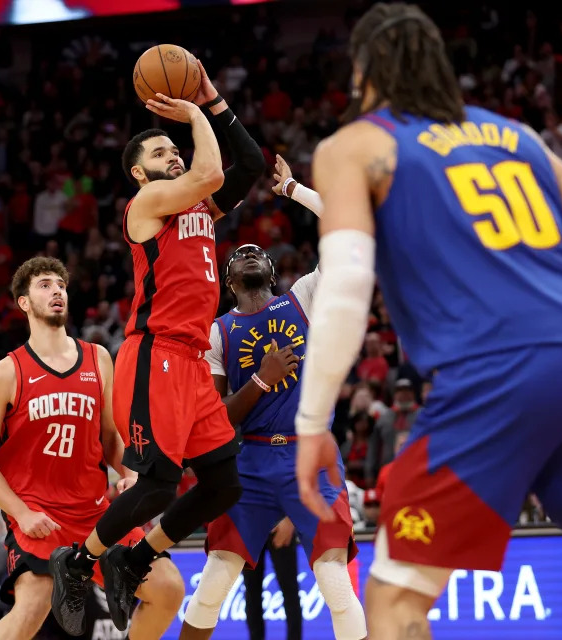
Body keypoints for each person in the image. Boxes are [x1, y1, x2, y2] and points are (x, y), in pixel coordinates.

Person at [293, 4, 562, 640]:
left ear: (365, 72)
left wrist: (313, 421)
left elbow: (346, 285)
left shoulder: (359, 143)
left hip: (497, 372)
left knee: (395, 599)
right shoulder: (513, 135)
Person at [51, 57, 266, 633]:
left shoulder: (200, 209)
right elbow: (213, 175)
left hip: (193, 361)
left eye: (175, 150)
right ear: (141, 176)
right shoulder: (145, 208)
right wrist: (194, 113)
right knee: (157, 485)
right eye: (160, 155)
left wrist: (214, 99)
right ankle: (78, 562)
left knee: (223, 483)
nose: (173, 156)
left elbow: (247, 164)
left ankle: (134, 558)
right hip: (155, 354)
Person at [180, 159, 365, 640]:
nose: (248, 253)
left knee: (335, 586)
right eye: (238, 253)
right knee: (212, 586)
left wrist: (294, 188)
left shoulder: (303, 297)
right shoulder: (217, 333)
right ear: (229, 280)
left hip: (310, 451)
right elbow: (218, 420)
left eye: (255, 251)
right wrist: (261, 381)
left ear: (271, 270)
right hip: (252, 461)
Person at [0, 257, 184, 640]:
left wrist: (130, 475)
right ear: (23, 302)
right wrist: (21, 513)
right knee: (33, 604)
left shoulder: (98, 358)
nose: (56, 291)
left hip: (94, 512)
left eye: (61, 285)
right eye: (44, 285)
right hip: (39, 514)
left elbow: (111, 441)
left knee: (168, 589)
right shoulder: (5, 373)